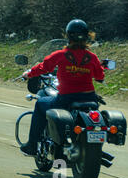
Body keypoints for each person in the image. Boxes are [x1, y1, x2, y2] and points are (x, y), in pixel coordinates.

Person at [20, 19, 105, 156]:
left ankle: (32, 145)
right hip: (89, 98)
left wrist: (28, 74)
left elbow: (43, 67)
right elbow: (100, 76)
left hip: (66, 99)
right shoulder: (92, 57)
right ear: (86, 36)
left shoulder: (61, 55)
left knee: (40, 104)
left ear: (68, 36)